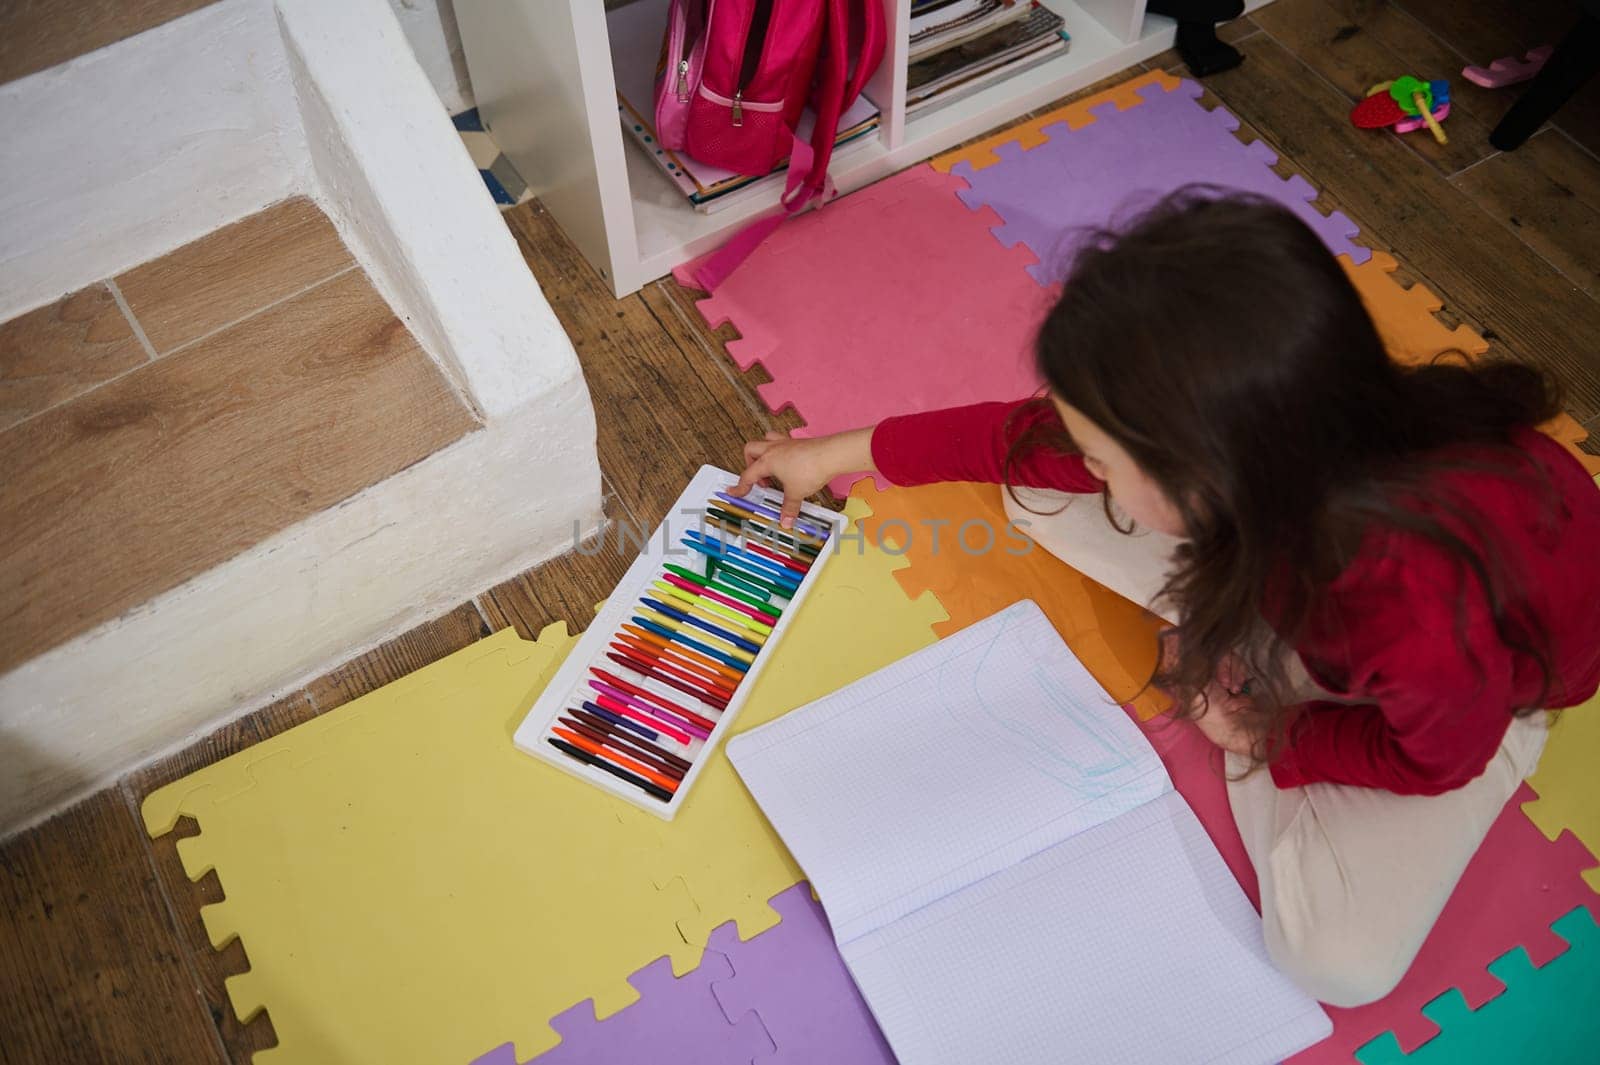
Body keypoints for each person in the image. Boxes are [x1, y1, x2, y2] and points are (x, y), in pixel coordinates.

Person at [732, 191, 1600, 1007]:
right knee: (1033, 490)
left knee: (1334, 960)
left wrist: (1268, 732)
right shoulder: (1293, 425)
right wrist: (833, 454)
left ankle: (1256, 688)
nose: (1091, 470)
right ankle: (1250, 655)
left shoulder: (1409, 610)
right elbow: (1024, 442)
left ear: (1204, 474)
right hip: (1325, 588)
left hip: (1476, 707)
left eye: (1106, 458)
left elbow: (1437, 758)